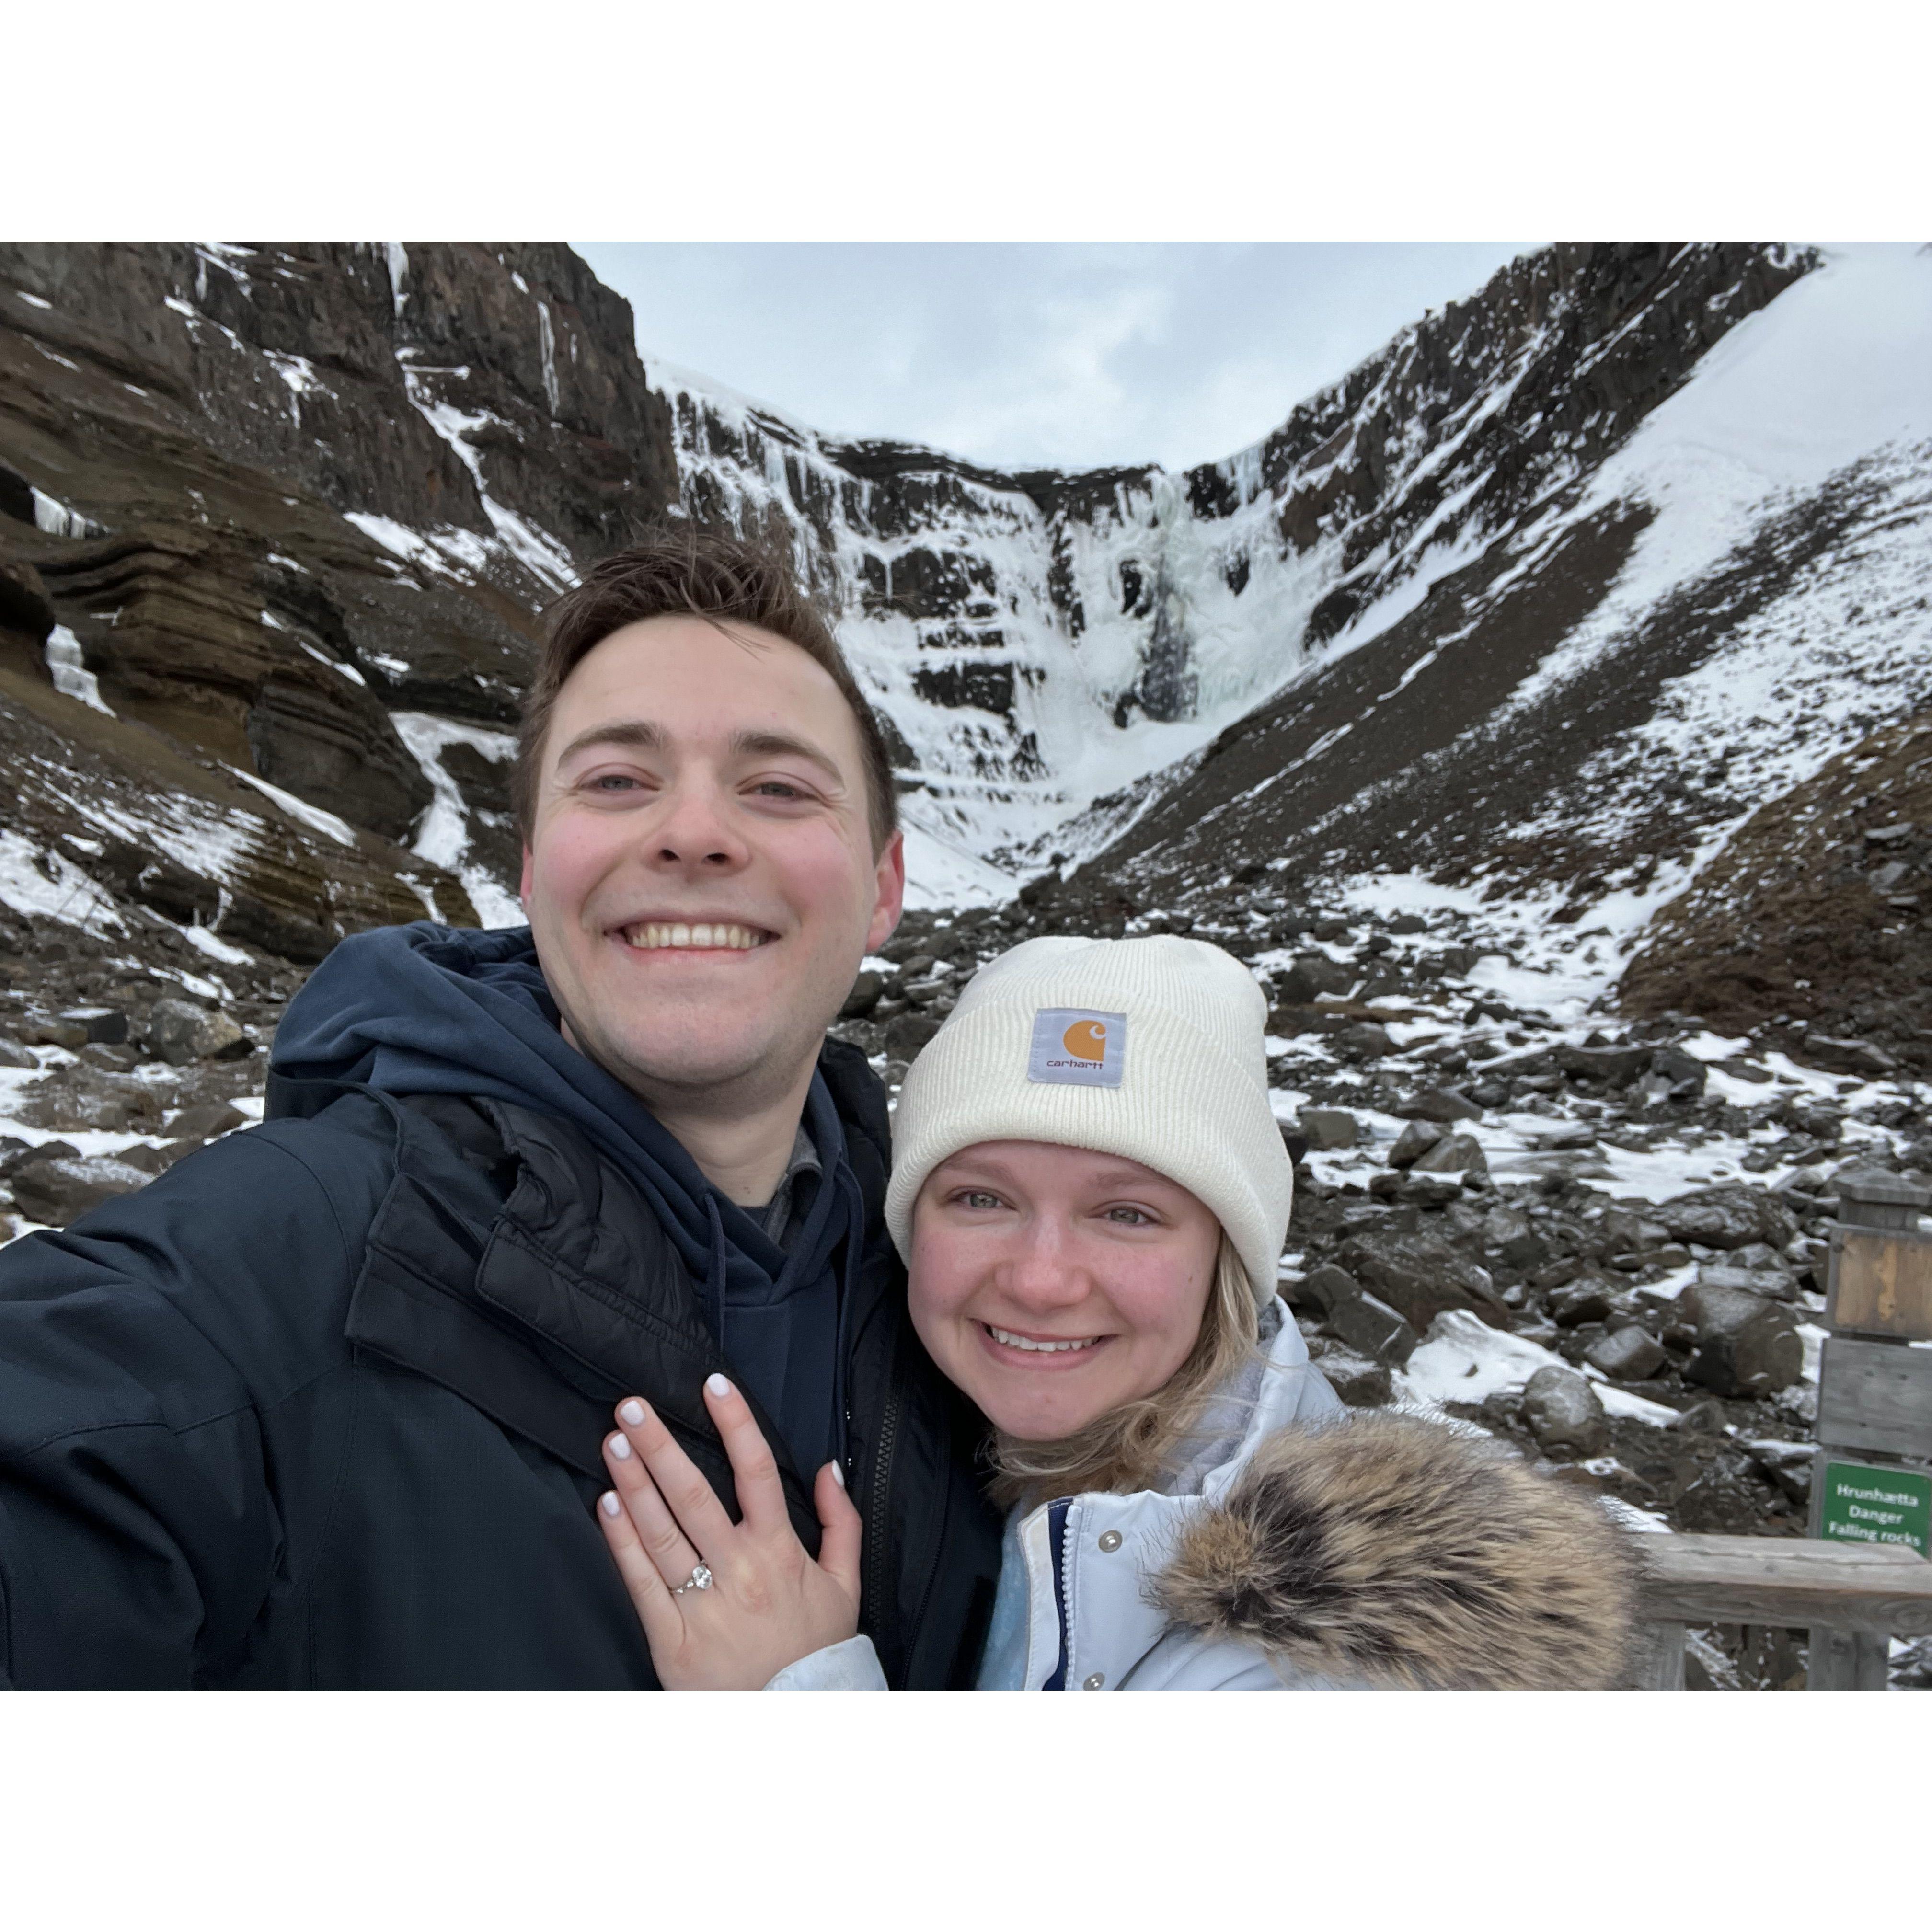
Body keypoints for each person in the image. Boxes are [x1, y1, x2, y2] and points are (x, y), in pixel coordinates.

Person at [0, 529, 1002, 1688]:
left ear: (883, 889)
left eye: (776, 787)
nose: (693, 832)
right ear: (530, 872)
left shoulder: (982, 1295)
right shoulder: (292, 1256)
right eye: (619, 780)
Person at [593, 936, 1642, 1690]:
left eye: (1129, 1214)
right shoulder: (977, 1467)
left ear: (1225, 1259)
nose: (1042, 1279)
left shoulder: (1333, 1658)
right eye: (982, 1198)